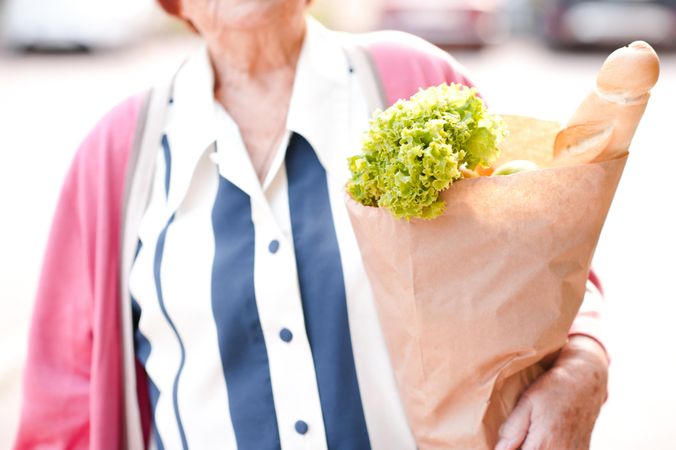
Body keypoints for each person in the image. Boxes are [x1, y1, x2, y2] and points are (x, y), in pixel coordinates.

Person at [14, 1, 610, 449]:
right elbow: (64, 403)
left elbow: (541, 263)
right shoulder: (117, 152)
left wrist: (584, 362)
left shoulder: (414, 81)